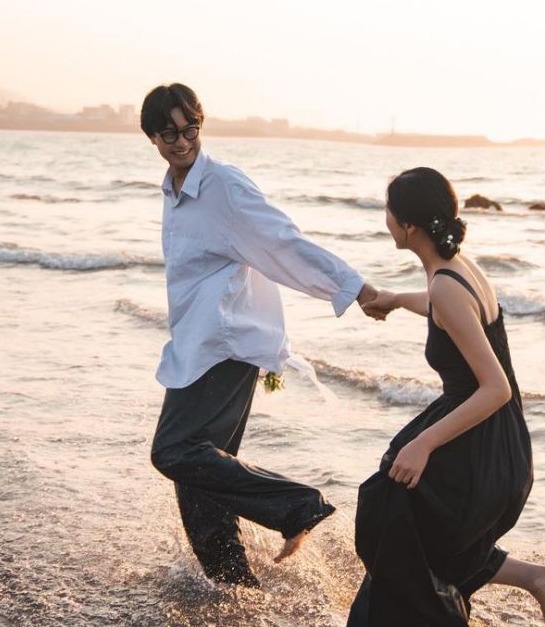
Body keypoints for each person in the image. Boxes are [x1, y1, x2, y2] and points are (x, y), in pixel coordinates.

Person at [142, 83, 378, 587]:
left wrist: (351, 286)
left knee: (173, 452)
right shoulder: (174, 190)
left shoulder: (224, 185)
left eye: (191, 130)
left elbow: (281, 241)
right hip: (195, 344)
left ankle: (299, 507)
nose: (183, 142)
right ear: (153, 138)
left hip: (224, 343)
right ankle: (233, 589)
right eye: (170, 133)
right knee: (198, 483)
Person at [349, 167, 545, 627]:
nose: (385, 221)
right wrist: (400, 299)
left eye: (387, 212)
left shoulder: (446, 284)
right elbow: (447, 311)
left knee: (392, 529)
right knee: (408, 530)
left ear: (404, 226)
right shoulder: (453, 270)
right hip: (496, 441)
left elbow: (495, 387)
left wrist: (423, 444)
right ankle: (538, 578)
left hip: (481, 444)